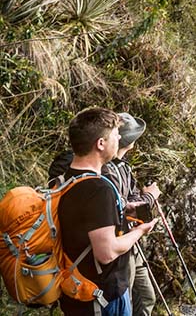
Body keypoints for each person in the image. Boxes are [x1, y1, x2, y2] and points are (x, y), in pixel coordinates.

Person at [58, 108, 158, 316]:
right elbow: (107, 252)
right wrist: (140, 231)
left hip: (79, 290)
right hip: (101, 297)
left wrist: (123, 209)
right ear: (100, 143)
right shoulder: (98, 189)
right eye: (115, 135)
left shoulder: (68, 178)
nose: (119, 138)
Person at [105, 112, 160, 316]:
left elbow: (133, 196)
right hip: (121, 244)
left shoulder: (123, 167)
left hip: (131, 242)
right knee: (125, 300)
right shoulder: (107, 170)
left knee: (146, 297)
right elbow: (122, 205)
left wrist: (145, 198)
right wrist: (151, 196)